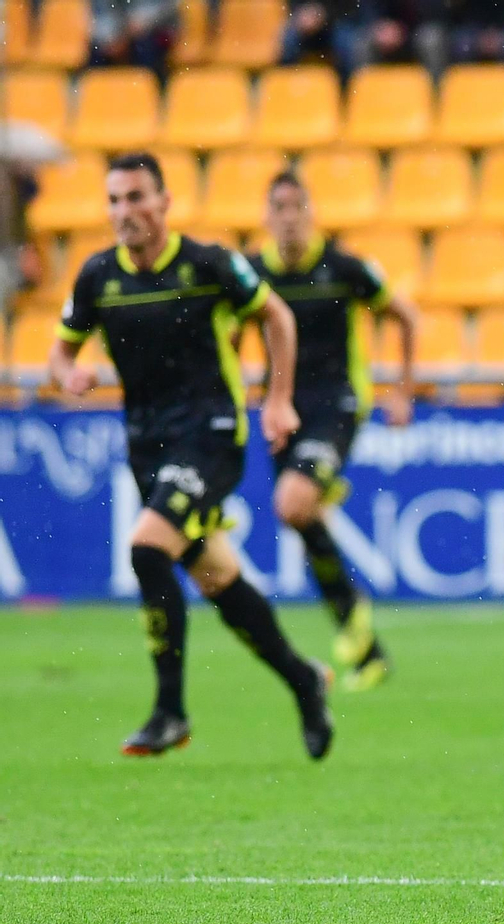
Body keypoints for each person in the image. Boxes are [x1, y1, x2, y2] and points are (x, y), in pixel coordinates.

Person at [46, 153, 334, 760]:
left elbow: (275, 317)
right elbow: (60, 352)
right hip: (146, 444)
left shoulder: (209, 263)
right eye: (115, 200)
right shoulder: (98, 277)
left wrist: (278, 400)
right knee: (218, 580)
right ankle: (302, 680)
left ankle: (169, 711)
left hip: (211, 434)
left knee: (148, 548)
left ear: (165, 201)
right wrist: (68, 375)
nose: (126, 212)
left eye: (137, 198)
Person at [248, 171, 418, 691]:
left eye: (297, 206)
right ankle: (364, 645)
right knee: (302, 518)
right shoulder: (252, 274)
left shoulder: (343, 267)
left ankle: (353, 616)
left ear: (311, 212)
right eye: (279, 207)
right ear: (267, 217)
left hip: (337, 406)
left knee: (293, 504)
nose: (289, 217)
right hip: (283, 409)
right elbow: (229, 331)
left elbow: (405, 316)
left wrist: (404, 390)